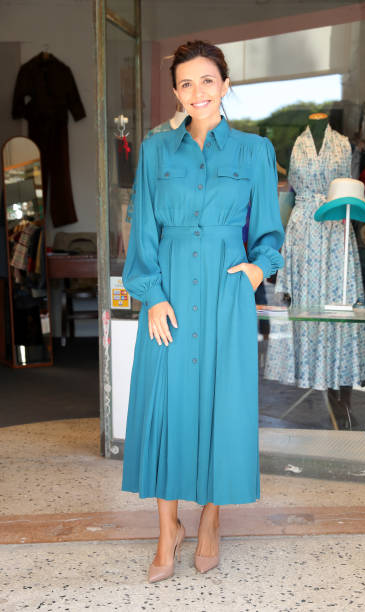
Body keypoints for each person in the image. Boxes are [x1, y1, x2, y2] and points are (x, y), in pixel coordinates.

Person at [121, 40, 284, 583]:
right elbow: (142, 229)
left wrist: (259, 269)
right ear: (175, 90)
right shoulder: (154, 151)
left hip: (225, 294)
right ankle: (168, 531)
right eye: (186, 83)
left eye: (207, 80)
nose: (197, 92)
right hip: (167, 292)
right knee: (163, 406)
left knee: (223, 406)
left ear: (226, 84)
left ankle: (211, 519)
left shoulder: (255, 151)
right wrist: (151, 293)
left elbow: (267, 233)